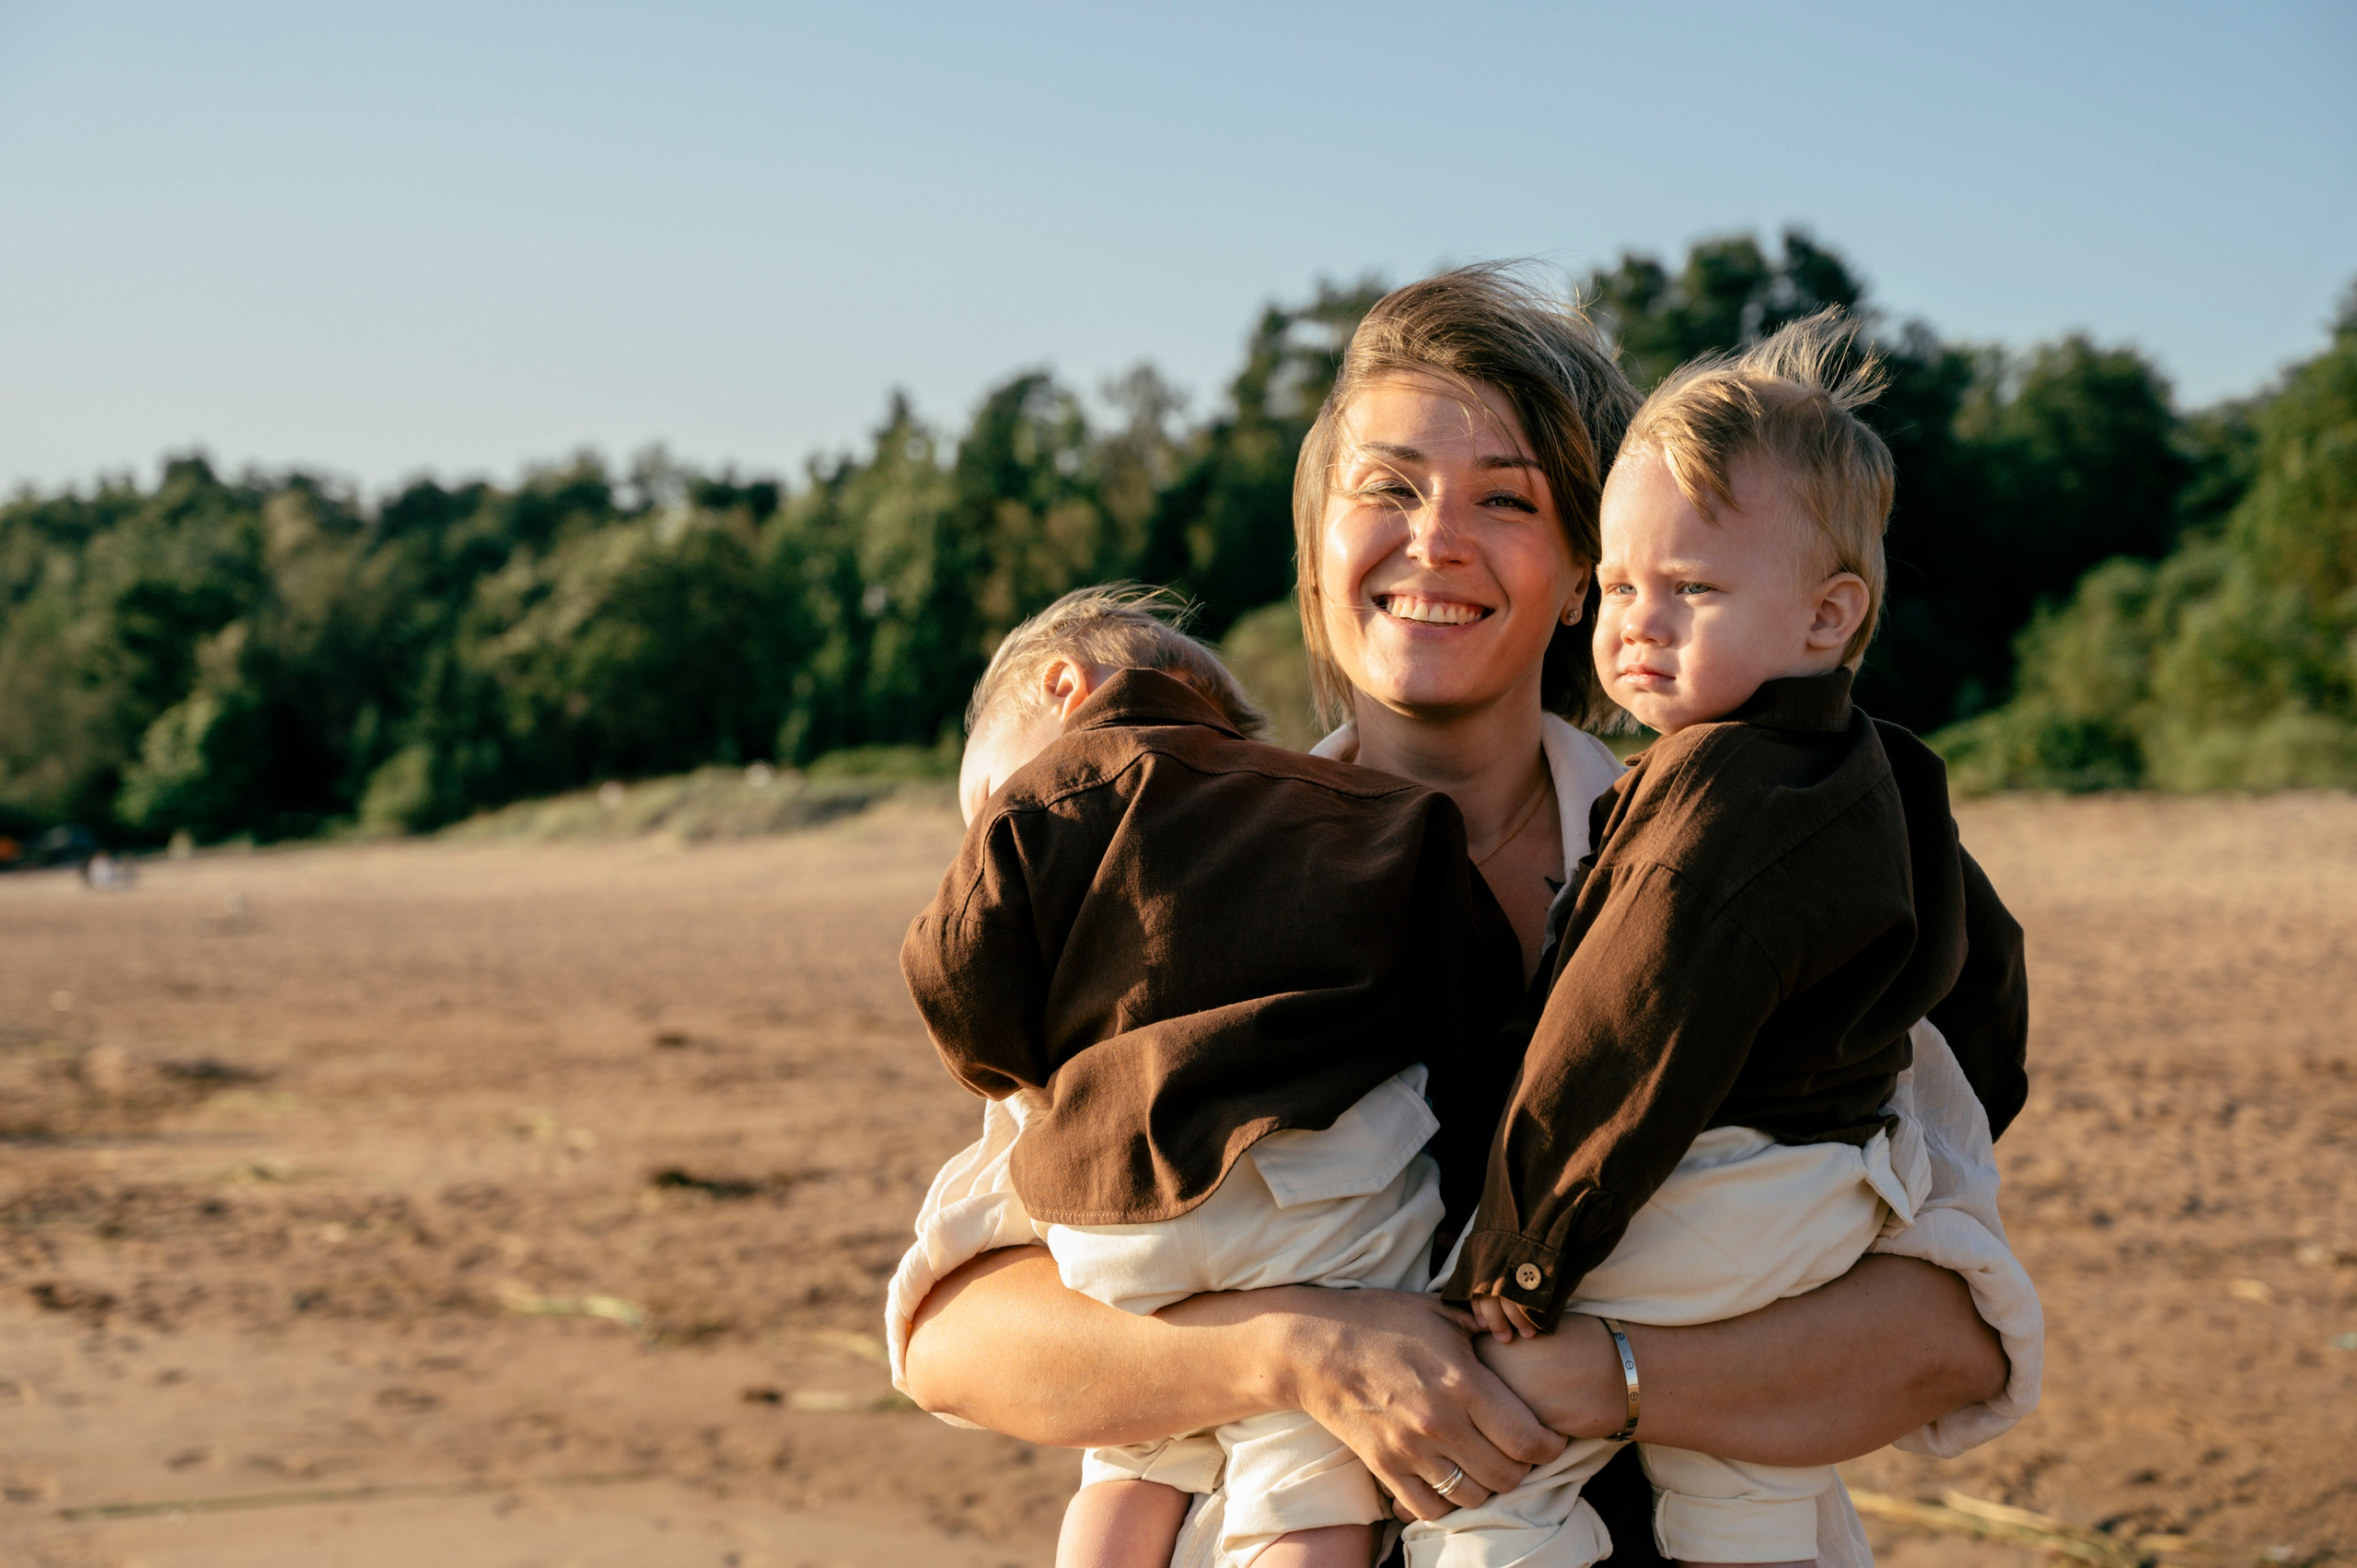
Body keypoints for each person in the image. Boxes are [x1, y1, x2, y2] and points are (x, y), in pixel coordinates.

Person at [888, 266, 2041, 1568]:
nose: (1436, 536)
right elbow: (958, 1329)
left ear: (1580, 574)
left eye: (1505, 498)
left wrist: (1612, 1373)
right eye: (1386, 488)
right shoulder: (1164, 880)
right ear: (1318, 556)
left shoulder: (1777, 851)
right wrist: (1302, 1348)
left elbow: (1948, 1333)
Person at [1408, 313, 2028, 1568]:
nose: (1640, 621)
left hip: (1705, 1197)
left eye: (1692, 589)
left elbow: (1619, 1034)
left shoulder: (1712, 797)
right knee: (1743, 1486)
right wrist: (1907, 1135)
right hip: (1817, 1196)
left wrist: (1518, 1269)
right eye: (1625, 583)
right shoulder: (1884, 769)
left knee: (1498, 1474)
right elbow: (1988, 964)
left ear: (1825, 615)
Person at [906, 585, 1521, 1568]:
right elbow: (1467, 997)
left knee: (1130, 1455)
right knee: (1305, 1467)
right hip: (1323, 1198)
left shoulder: (1055, 800)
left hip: (1112, 1224)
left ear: (1067, 687)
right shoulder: (1371, 812)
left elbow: (949, 962)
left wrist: (1014, 1065)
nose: (981, 830)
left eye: (978, 802)